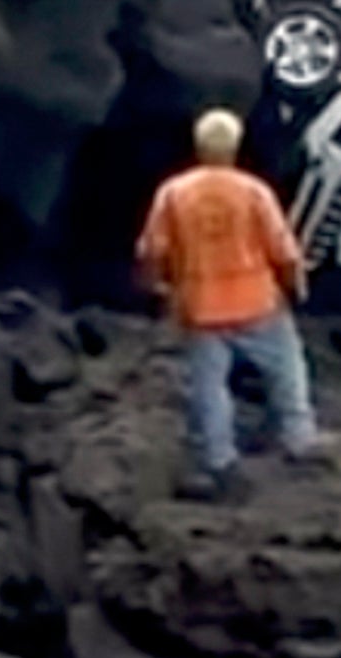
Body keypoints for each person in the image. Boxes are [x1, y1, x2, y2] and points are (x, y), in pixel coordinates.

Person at [135, 109, 321, 500]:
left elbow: (152, 249)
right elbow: (283, 249)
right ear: (235, 146)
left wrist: (156, 286)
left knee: (209, 387)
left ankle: (219, 460)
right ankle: (298, 439)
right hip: (257, 302)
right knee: (287, 370)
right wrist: (296, 286)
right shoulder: (253, 191)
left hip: (201, 307)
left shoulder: (174, 193)